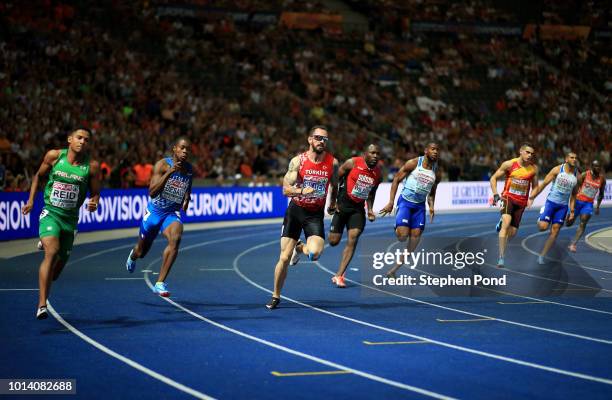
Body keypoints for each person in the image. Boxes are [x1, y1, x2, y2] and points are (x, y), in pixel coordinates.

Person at [21, 129, 100, 320]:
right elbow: (38, 176)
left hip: (70, 220)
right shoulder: (54, 156)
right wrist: (31, 200)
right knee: (52, 252)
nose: (82, 142)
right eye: (79, 138)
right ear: (70, 139)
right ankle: (42, 304)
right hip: (51, 214)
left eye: (86, 140)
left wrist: (95, 201)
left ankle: (47, 241)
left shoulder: (92, 166)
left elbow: (96, 192)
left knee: (55, 274)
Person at [266, 126, 339, 309]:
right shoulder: (298, 161)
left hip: (314, 214)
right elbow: (285, 189)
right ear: (309, 140)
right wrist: (301, 190)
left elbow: (335, 184)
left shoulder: (332, 163)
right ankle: (275, 295)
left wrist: (332, 203)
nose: (321, 141)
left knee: (315, 254)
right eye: (318, 138)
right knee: (283, 258)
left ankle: (299, 248)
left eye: (325, 139)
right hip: (296, 210)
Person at [125, 137, 193, 297]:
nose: (185, 151)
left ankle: (160, 283)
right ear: (175, 149)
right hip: (155, 213)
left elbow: (188, 186)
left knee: (176, 238)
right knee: (142, 252)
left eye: (188, 149)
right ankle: (133, 255)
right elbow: (152, 192)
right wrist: (170, 173)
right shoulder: (162, 165)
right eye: (182, 148)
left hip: (171, 214)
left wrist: (186, 198)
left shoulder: (189, 169)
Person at [379, 143, 441, 278]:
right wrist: (390, 202)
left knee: (415, 239)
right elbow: (396, 179)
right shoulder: (413, 163)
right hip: (406, 202)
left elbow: (433, 190)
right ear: (426, 151)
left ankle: (393, 270)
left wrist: (431, 205)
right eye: (433, 149)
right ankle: (398, 222)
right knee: (402, 237)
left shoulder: (437, 170)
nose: (436, 152)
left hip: (419, 207)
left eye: (437, 150)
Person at [328, 144, 382, 287]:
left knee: (353, 237)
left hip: (357, 210)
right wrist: (333, 202)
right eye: (372, 153)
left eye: (377, 153)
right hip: (342, 206)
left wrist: (370, 209)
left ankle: (339, 275)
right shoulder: (352, 163)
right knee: (333, 241)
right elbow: (334, 179)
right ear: (365, 154)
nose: (375, 156)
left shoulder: (378, 174)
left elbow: (371, 193)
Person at [490, 143, 539, 267]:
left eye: (532, 154)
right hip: (508, 198)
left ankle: (501, 224)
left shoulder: (533, 168)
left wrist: (531, 198)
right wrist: (496, 195)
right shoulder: (509, 164)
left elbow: (536, 186)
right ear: (521, 151)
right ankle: (501, 257)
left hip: (521, 203)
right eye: (527, 152)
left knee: (512, 233)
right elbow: (493, 178)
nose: (530, 155)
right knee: (506, 222)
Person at [528, 152, 578, 264]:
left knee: (555, 231)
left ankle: (542, 255)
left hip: (563, 207)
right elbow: (544, 184)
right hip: (551, 203)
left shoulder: (576, 175)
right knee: (542, 227)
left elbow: (574, 194)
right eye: (572, 157)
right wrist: (532, 197)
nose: (574, 159)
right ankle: (540, 218)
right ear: (566, 159)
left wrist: (572, 210)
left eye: (575, 158)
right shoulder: (557, 170)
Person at [567, 160, 606, 252]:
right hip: (578, 202)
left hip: (588, 204)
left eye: (599, 166)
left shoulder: (602, 179)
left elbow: (601, 194)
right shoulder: (585, 175)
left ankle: (573, 244)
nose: (598, 168)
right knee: (568, 223)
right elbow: (575, 188)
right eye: (596, 166)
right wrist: (572, 200)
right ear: (592, 167)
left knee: (583, 222)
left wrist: (597, 207)